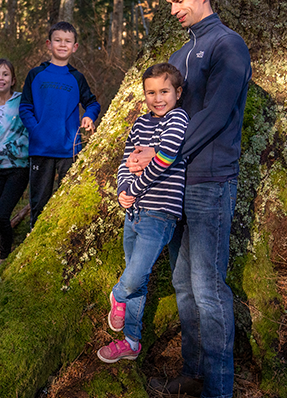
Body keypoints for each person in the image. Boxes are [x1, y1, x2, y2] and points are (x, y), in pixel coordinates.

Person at [128, 0, 252, 398]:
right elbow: (161, 119)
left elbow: (217, 116)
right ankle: (193, 372)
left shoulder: (228, 45)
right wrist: (142, 157)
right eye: (170, 5)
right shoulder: (180, 57)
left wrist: (162, 155)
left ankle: (220, 387)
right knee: (183, 284)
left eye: (180, 0)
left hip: (211, 182)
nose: (175, 10)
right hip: (173, 184)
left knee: (207, 285)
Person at [97, 63, 189, 364]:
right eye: (151, 92)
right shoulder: (139, 125)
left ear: (178, 92)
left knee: (135, 275)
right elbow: (126, 161)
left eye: (164, 91)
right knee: (138, 277)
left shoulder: (178, 119)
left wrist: (135, 187)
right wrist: (124, 189)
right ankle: (131, 342)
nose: (158, 98)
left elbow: (165, 158)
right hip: (133, 212)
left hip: (160, 213)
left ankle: (117, 295)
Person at [19, 21, 101, 228]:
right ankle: (34, 241)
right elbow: (25, 107)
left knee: (68, 201)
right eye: (58, 40)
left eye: (67, 41)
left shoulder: (76, 78)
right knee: (39, 202)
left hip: (69, 150)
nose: (62, 45)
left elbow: (92, 103)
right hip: (41, 148)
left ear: (75, 47)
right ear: (49, 44)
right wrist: (36, 130)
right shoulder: (36, 74)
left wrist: (89, 116)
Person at [0, 59, 29, 266]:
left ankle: (5, 257)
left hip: (18, 169)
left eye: (5, 74)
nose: (1, 78)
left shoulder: (23, 101)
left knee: (1, 214)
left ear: (13, 80)